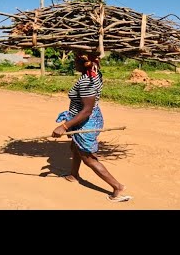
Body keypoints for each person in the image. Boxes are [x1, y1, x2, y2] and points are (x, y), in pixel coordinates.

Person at [52, 51, 132, 202]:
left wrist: (64, 126)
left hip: (85, 121)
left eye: (75, 60)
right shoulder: (95, 74)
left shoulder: (86, 81)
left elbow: (86, 110)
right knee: (75, 147)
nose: (73, 62)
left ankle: (117, 187)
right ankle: (73, 175)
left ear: (83, 63)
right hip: (90, 118)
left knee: (89, 158)